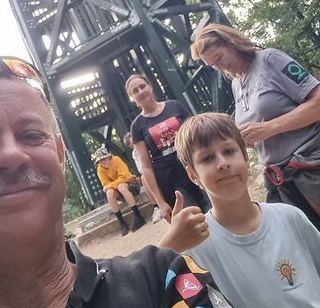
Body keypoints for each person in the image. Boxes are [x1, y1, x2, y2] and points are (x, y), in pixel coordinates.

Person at [0, 55, 234, 308]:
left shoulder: (163, 279)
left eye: (32, 136)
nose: (12, 155)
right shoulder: (138, 127)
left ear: (60, 157)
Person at [168, 112, 320, 308]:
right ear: (193, 175)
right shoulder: (194, 247)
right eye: (207, 158)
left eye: (229, 151)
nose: (223, 163)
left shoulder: (290, 217)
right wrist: (169, 248)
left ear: (246, 156)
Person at [191, 23, 320, 229]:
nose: (219, 67)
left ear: (232, 43)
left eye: (219, 58)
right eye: (212, 65)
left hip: (310, 165)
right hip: (280, 180)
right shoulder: (236, 84)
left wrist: (271, 127)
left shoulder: (270, 59)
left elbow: (317, 102)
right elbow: (261, 132)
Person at [127, 73, 210, 222]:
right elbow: (146, 166)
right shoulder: (136, 126)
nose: (141, 91)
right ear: (132, 97)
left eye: (142, 86)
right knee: (194, 221)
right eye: (135, 91)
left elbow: (196, 135)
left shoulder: (174, 106)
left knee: (215, 210)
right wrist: (160, 202)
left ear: (150, 86)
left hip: (195, 167)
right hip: (170, 180)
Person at [94, 146, 146, 235]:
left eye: (104, 159)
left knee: (121, 186)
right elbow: (106, 185)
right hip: (119, 191)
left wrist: (111, 185)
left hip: (131, 186)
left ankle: (138, 216)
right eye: (100, 161)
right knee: (109, 193)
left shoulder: (116, 160)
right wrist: (111, 186)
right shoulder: (100, 169)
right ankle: (122, 223)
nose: (103, 162)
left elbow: (124, 177)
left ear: (109, 157)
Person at [123, 132, 162, 223]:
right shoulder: (134, 153)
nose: (134, 147)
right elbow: (141, 169)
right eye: (132, 146)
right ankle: (156, 206)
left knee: (146, 176)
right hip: (149, 172)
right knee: (144, 178)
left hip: (158, 166)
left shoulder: (147, 144)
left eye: (134, 144)